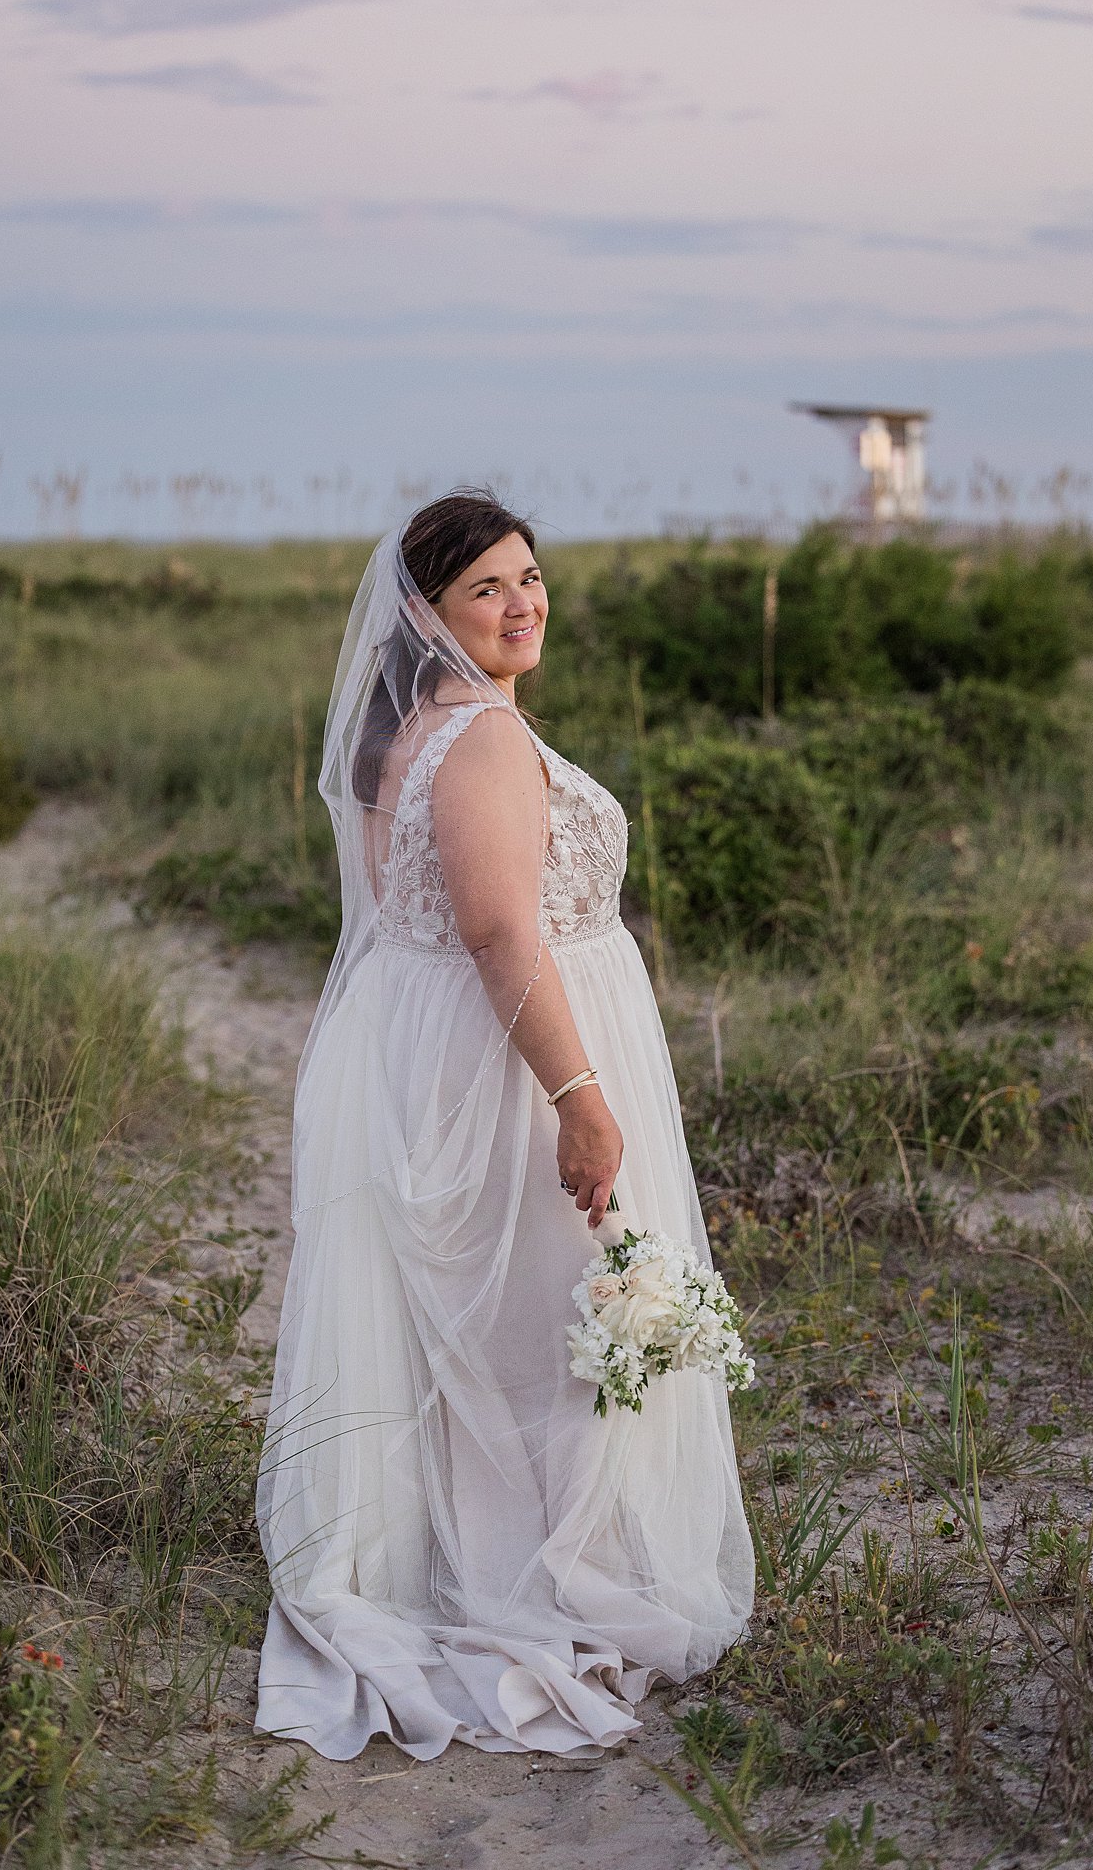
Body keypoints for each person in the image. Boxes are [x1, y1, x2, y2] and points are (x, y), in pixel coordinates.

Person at [254, 489, 753, 1760]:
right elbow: (494, 928)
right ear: (430, 611)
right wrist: (580, 1098)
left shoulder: (406, 732)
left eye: (530, 577)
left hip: (442, 1042)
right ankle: (539, 1569)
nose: (522, 603)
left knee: (491, 1317)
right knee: (551, 1309)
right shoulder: (475, 737)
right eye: (486, 588)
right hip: (512, 1052)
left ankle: (478, 1549)